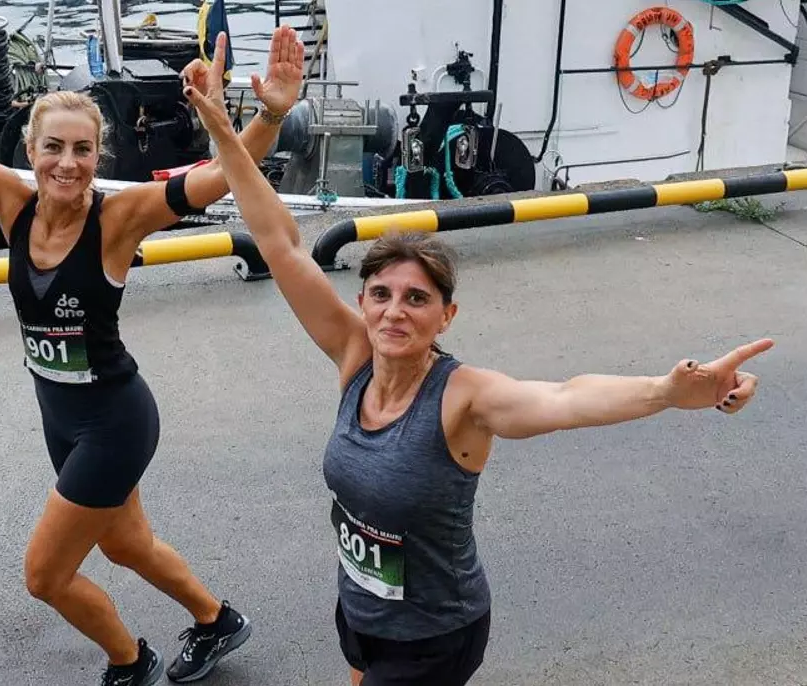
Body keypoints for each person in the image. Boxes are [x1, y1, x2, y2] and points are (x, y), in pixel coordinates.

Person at [180, 52, 774, 686]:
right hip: (361, 608)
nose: (394, 312)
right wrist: (224, 127)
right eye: (381, 295)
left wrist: (666, 391)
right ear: (363, 303)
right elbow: (281, 242)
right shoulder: (354, 356)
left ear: (447, 316)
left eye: (417, 299)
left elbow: (566, 398)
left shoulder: (462, 398)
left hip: (434, 635)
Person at [0, 2, 308, 683]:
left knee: (46, 575)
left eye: (82, 150)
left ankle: (130, 661)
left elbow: (215, 178)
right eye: (53, 148)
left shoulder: (119, 219)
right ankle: (217, 621)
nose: (68, 163)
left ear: (98, 155)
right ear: (30, 152)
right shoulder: (10, 203)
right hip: (61, 418)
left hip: (115, 421)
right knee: (127, 544)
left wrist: (270, 116)